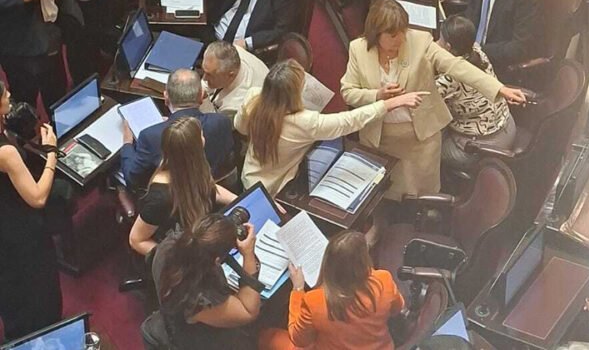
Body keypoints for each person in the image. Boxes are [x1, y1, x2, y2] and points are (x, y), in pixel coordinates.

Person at [340, 0, 526, 202]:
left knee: (420, 196)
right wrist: (377, 95)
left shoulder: (420, 41)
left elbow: (456, 66)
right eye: (393, 35)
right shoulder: (358, 49)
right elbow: (348, 92)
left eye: (403, 31)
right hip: (379, 138)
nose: (400, 39)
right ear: (376, 33)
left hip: (420, 137)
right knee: (386, 194)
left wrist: (499, 88)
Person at [234, 59, 430, 195]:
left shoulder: (252, 97)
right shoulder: (304, 122)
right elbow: (349, 121)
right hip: (274, 189)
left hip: (250, 178)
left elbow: (240, 127)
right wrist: (391, 103)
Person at [259, 230, 405, 350]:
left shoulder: (314, 300)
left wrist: (298, 289)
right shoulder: (384, 279)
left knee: (268, 337)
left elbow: (299, 340)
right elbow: (397, 308)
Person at [0, 81, 62, 340]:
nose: (9, 93)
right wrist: (52, 152)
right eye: (4, 93)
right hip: (19, 230)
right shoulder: (6, 153)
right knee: (36, 290)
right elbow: (37, 197)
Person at [129, 117, 237, 256]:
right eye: (201, 134)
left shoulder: (191, 168)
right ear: (196, 147)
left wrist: (237, 199)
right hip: (178, 251)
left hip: (196, 234)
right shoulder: (160, 198)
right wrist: (178, 261)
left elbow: (207, 186)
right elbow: (136, 240)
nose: (204, 137)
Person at [150, 213, 260, 349]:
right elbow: (248, 311)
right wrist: (248, 253)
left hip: (172, 315)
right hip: (195, 340)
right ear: (217, 261)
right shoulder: (198, 297)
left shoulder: (171, 244)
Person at [121, 68, 233, 192]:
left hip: (171, 197)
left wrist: (127, 143)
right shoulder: (222, 122)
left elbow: (132, 179)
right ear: (201, 97)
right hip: (212, 189)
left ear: (166, 97)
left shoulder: (150, 136)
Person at [436, 15, 516, 170]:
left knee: (428, 149)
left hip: (481, 147)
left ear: (448, 47)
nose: (436, 43)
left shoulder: (450, 79)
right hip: (507, 127)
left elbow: (425, 100)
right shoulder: (477, 50)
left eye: (440, 40)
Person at [202, 40, 268, 120]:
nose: (204, 78)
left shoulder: (237, 105)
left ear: (230, 75)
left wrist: (204, 99)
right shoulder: (233, 51)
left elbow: (214, 121)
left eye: (210, 75)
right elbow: (204, 85)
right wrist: (202, 89)